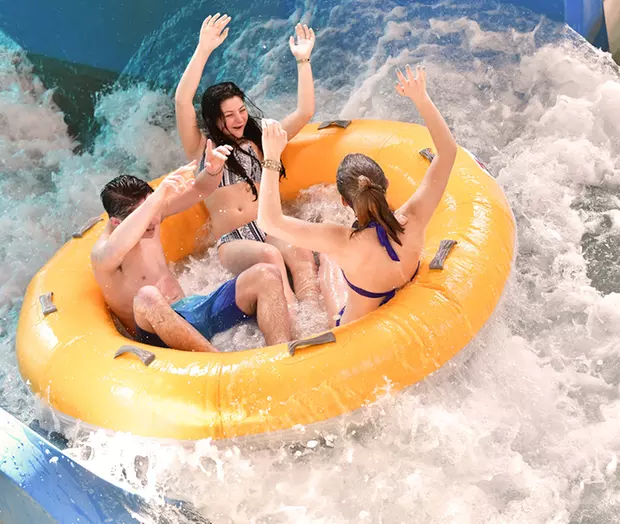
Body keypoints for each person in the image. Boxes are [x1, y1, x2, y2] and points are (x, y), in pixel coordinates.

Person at [257, 64, 458, 326]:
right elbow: (448, 152)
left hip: (355, 330)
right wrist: (421, 98)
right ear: (385, 182)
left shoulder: (341, 241)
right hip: (408, 307)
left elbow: (268, 222)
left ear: (344, 201)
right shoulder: (415, 216)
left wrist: (271, 157)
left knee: (328, 261)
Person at [174, 13, 319, 309]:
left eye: (241, 110)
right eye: (229, 115)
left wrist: (303, 61)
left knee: (300, 251)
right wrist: (203, 49)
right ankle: (293, 317)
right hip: (233, 240)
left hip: (267, 225)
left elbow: (305, 111)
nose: (239, 118)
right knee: (271, 257)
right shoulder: (203, 148)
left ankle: (314, 313)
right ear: (215, 120)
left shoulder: (261, 138)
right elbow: (181, 101)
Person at [91, 146, 292, 353]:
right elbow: (119, 245)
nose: (154, 220)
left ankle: (280, 357)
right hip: (159, 335)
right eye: (147, 213)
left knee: (266, 274)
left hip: (192, 312)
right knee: (147, 296)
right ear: (116, 222)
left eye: (154, 210)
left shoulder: (153, 215)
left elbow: (200, 190)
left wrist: (213, 171)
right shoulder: (103, 253)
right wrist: (155, 199)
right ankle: (218, 363)